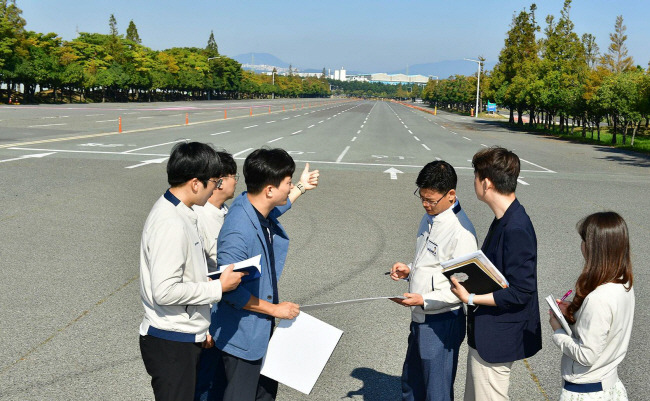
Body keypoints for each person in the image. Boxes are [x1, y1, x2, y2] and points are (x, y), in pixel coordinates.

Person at [209, 148, 319, 401]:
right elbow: (229, 291)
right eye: (287, 183)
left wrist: (300, 187)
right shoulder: (238, 230)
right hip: (242, 337)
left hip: (259, 330)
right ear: (269, 189)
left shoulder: (251, 203)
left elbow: (276, 208)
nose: (289, 186)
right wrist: (274, 310)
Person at [138, 142, 245, 401]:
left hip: (181, 335)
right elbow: (165, 291)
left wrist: (201, 326)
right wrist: (219, 287)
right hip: (171, 341)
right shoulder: (171, 223)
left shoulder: (180, 211)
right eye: (213, 181)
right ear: (196, 183)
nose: (215, 188)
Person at [450, 146, 542, 401]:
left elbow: (522, 291)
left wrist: (470, 298)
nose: (475, 184)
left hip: (497, 339)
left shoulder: (516, 227)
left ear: (487, 183)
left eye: (476, 178)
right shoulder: (504, 218)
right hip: (487, 334)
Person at [390, 160, 478, 401]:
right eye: (422, 198)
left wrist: (424, 299)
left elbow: (463, 288)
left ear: (451, 194)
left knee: (436, 392)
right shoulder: (430, 217)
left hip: (441, 322)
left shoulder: (462, 233)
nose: (425, 204)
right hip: (420, 316)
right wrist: (409, 269)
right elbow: (430, 262)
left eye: (431, 200)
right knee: (412, 384)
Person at [548, 212, 634, 401]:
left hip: (586, 392)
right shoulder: (624, 285)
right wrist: (576, 312)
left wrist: (557, 330)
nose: (582, 246)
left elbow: (586, 355)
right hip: (611, 386)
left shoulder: (598, 298)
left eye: (584, 240)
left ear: (594, 248)